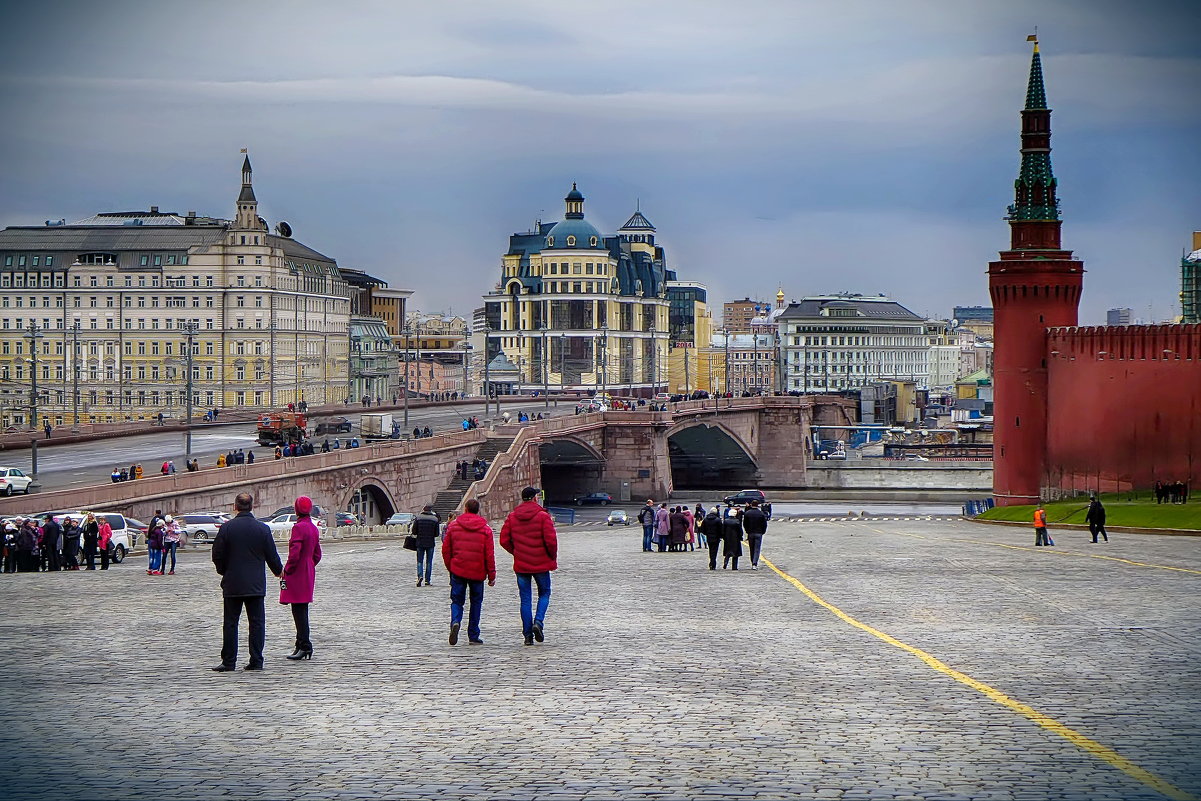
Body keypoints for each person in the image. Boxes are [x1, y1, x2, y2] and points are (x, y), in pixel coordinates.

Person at [211, 493, 283, 672]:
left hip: (233, 582)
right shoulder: (263, 529)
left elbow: (217, 555)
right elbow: (271, 555)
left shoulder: (227, 528)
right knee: (257, 623)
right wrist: (278, 571)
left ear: (235, 506)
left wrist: (224, 571)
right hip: (256, 584)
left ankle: (228, 661)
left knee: (230, 623)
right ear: (252, 506)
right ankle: (256, 660)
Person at [500, 486, 558, 646]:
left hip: (522, 565)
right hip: (541, 564)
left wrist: (517, 552)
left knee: (525, 599)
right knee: (544, 593)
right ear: (534, 498)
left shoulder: (512, 516)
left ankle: (527, 636)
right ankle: (538, 622)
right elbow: (551, 541)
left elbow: (504, 540)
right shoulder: (542, 516)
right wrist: (551, 557)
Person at [442, 498, 496, 645]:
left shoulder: (453, 527)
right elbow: (489, 554)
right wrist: (491, 575)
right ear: (477, 510)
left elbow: (446, 550)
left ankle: (455, 621)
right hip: (477, 572)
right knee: (476, 602)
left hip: (458, 570)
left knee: (457, 600)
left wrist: (451, 567)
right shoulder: (485, 529)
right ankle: (473, 634)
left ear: (465, 509)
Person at [280, 496, 323, 661]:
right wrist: (310, 564)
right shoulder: (313, 528)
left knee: (298, 610)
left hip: (297, 572)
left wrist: (288, 569)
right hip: (308, 570)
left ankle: (304, 645)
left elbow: (295, 553)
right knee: (301, 609)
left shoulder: (299, 528)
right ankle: (300, 644)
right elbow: (317, 554)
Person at [411, 505, 442, 587]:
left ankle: (420, 576)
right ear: (430, 510)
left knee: (420, 561)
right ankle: (427, 580)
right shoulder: (435, 519)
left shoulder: (418, 518)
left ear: (423, 510)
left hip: (420, 542)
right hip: (430, 543)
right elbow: (437, 534)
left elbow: (414, 531)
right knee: (429, 562)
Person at [742, 500, 768, 570]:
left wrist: (747, 531)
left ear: (751, 504)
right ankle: (754, 563)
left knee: (751, 548)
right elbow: (764, 524)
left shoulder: (747, 513)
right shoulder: (761, 513)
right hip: (759, 533)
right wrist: (763, 531)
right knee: (757, 549)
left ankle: (752, 561)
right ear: (758, 505)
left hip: (750, 533)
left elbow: (745, 524)